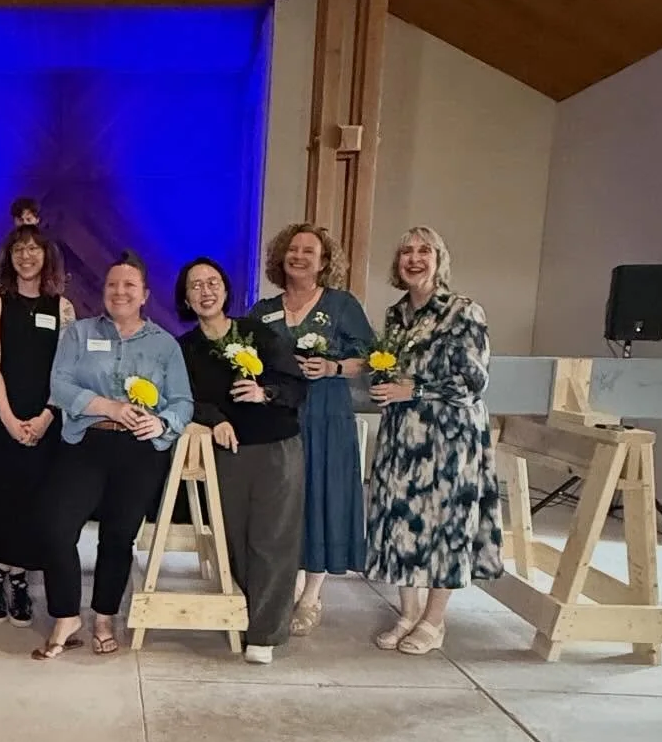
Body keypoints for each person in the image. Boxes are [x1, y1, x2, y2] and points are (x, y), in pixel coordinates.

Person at [33, 252, 193, 660]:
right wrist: (109, 407)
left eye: (129, 285)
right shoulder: (79, 334)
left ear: (145, 295)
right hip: (85, 443)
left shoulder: (164, 345)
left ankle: (104, 617)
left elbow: (183, 401)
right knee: (55, 527)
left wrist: (163, 423)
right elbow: (60, 385)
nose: (120, 292)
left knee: (118, 537)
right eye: (112, 285)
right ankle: (66, 615)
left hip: (138, 451)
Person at [366, 226, 503, 655]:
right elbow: (392, 368)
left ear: (439, 259)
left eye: (424, 250)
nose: (414, 258)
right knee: (401, 520)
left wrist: (416, 390)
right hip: (402, 436)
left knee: (446, 525)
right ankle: (407, 613)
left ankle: (434, 620)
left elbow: (474, 382)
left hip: (450, 437)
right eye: (406, 251)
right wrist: (383, 383)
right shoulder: (395, 315)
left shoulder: (464, 311)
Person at [176, 257, 307, 664]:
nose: (206, 291)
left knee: (273, 539)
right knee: (234, 540)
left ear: (226, 289)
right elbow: (183, 399)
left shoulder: (258, 333)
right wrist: (214, 419)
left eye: (212, 282)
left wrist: (264, 393)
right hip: (226, 451)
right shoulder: (185, 348)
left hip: (276, 447)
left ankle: (265, 632)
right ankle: (249, 611)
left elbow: (296, 385)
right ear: (186, 298)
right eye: (196, 285)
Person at [251, 223, 375, 636]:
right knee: (282, 501)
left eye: (309, 251)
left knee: (322, 496)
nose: (299, 256)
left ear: (324, 262)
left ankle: (311, 595)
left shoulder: (342, 305)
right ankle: (282, 585)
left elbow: (371, 358)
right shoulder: (263, 310)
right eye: (293, 249)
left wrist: (334, 367)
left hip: (326, 414)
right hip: (278, 416)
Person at [0, 225, 76, 625]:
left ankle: (16, 578)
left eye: (34, 249)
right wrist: (10, 421)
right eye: (19, 248)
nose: (27, 256)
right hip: (4, 419)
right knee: (4, 500)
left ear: (46, 256)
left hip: (47, 420)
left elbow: (67, 371)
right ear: (9, 256)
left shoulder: (63, 307)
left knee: (37, 503)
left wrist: (45, 416)